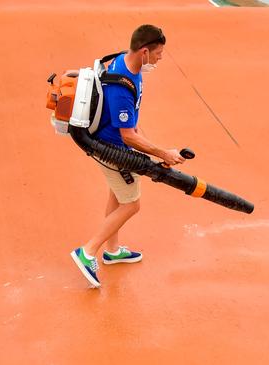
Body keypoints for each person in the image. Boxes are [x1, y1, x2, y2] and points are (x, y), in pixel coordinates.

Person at [70, 24, 185, 288]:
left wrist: (155, 149)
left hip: (115, 142)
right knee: (132, 204)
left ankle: (112, 250)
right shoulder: (122, 86)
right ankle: (87, 252)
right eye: (158, 53)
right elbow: (128, 136)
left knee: (117, 193)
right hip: (112, 149)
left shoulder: (128, 61)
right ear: (144, 51)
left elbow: (133, 124)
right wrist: (162, 152)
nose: (160, 58)